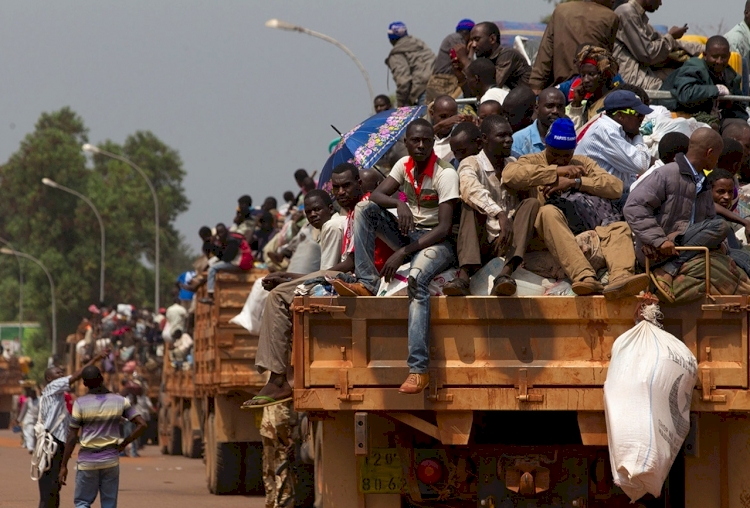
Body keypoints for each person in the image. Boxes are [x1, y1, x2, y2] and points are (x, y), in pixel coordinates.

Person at [333, 119, 459, 395]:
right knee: (366, 208)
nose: (421, 145)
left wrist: (403, 252)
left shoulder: (445, 174)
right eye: (416, 140)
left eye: (426, 140)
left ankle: (418, 369)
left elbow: (444, 228)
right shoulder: (403, 165)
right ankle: (367, 282)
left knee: (416, 281)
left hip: (436, 242)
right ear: (407, 143)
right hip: (410, 234)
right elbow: (377, 193)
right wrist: (398, 203)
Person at [504, 118, 649, 298]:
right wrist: (555, 172)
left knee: (618, 227)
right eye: (555, 154)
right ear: (546, 146)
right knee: (547, 212)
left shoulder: (581, 163)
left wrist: (575, 182)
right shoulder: (532, 160)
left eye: (566, 156)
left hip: (581, 229)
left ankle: (621, 279)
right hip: (545, 237)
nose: (561, 160)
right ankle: (584, 277)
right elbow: (510, 175)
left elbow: (616, 187)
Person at [243, 181, 352, 408]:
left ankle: (277, 377)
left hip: (340, 283)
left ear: (330, 208)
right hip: (335, 278)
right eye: (308, 211)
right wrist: (287, 275)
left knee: (277, 296)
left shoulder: (333, 227)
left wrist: (288, 280)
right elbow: (326, 271)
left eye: (317, 209)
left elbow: (328, 274)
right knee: (282, 287)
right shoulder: (332, 226)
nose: (312, 214)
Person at [624, 128, 728, 302]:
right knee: (722, 226)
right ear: (710, 153)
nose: (717, 162)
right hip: (660, 251)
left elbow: (710, 221)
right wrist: (658, 240)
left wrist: (722, 245)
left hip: (689, 248)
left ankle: (672, 268)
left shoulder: (703, 183)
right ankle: (667, 270)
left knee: (743, 258)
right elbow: (634, 207)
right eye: (717, 156)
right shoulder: (666, 174)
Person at [443, 115, 540, 296]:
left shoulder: (513, 164)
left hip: (508, 240)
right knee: (469, 204)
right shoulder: (471, 163)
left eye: (510, 135)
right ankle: (464, 277)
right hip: (481, 240)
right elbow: (469, 188)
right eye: (501, 136)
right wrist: (499, 214)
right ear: (485, 139)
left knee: (532, 203)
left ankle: (505, 274)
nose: (508, 140)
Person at [59, 366, 147, 508]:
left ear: (85, 384)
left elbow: (72, 437)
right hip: (110, 461)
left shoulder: (80, 404)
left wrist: (63, 465)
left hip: (87, 462)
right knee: (109, 504)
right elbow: (142, 424)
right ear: (102, 379)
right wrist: (124, 444)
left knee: (82, 502)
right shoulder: (120, 401)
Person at [37, 352, 108, 508]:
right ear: (49, 378)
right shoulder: (52, 387)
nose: (61, 374)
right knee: (49, 489)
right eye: (58, 373)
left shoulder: (59, 396)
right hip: (52, 442)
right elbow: (75, 376)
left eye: (62, 372)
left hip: (57, 443)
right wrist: (94, 360)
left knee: (54, 488)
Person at [529, 0, 620, 92]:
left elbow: (545, 54)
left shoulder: (561, 10)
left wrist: (535, 87)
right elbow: (607, 60)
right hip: (592, 88)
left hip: (560, 88)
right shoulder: (611, 17)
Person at [614, 0, 703, 90]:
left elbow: (669, 41)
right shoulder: (627, 13)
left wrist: (703, 48)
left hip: (644, 76)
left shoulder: (639, 19)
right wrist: (671, 37)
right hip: (632, 81)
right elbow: (648, 54)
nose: (660, 3)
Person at [575, 89, 654, 189]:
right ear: (620, 115)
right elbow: (641, 165)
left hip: (612, 194)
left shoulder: (623, 131)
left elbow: (630, 176)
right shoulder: (605, 130)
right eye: (637, 114)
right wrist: (637, 136)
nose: (642, 118)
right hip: (593, 195)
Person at [660, 36, 749, 122]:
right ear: (705, 55)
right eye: (715, 56)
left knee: (740, 130)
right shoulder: (694, 67)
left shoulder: (731, 76)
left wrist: (729, 104)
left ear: (729, 56)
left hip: (714, 116)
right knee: (710, 130)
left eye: (723, 57)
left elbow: (740, 109)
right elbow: (686, 93)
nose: (719, 61)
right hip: (678, 113)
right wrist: (717, 90)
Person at [455, 22, 531, 91]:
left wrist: (465, 61)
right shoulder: (486, 59)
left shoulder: (507, 55)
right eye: (471, 41)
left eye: (477, 40)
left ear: (492, 39)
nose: (473, 45)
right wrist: (460, 74)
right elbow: (474, 93)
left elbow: (491, 88)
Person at [564, 45, 622, 130]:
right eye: (583, 75)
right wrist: (577, 104)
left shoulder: (613, 102)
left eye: (591, 74)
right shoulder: (590, 102)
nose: (585, 80)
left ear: (604, 75)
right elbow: (573, 133)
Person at [201, 223, 254, 304]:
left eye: (221, 232)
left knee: (212, 268)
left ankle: (210, 296)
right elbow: (223, 255)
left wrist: (213, 247)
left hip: (241, 262)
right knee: (213, 263)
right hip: (239, 260)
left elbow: (226, 257)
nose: (220, 235)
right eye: (218, 233)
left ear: (226, 231)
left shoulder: (231, 241)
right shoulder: (228, 239)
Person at [385, 22, 435, 107]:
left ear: (390, 39)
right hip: (440, 84)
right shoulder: (418, 43)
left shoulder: (397, 54)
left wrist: (400, 103)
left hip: (422, 91)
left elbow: (403, 81)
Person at [427, 19, 475, 103]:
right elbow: (468, 66)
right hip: (444, 82)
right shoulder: (456, 39)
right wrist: (471, 51)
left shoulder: (453, 38)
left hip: (443, 82)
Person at [511, 87, 566, 158]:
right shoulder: (519, 140)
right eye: (550, 106)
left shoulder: (569, 137)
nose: (555, 111)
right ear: (537, 108)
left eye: (560, 107)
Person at [430, 95, 470, 163]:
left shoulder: (459, 136)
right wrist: (440, 125)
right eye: (443, 117)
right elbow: (422, 136)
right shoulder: (425, 135)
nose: (449, 121)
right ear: (432, 114)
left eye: (452, 117)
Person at [18, 387, 39, 453]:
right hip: (29, 419)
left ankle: (35, 447)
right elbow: (23, 410)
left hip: (37, 420)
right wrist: (19, 419)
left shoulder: (40, 400)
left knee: (36, 434)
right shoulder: (27, 401)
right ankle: (30, 448)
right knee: (30, 433)